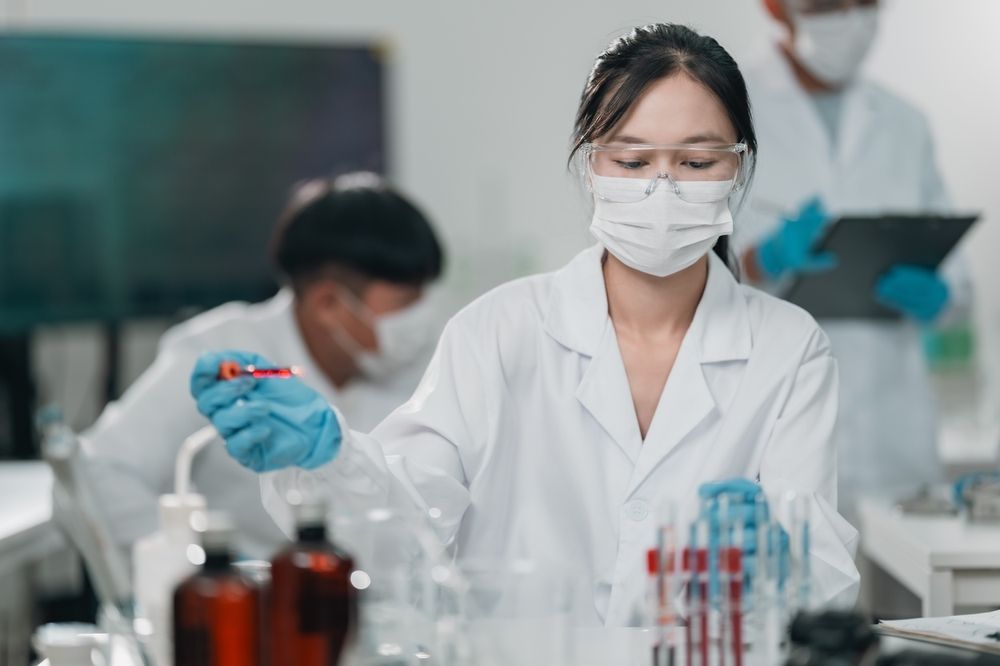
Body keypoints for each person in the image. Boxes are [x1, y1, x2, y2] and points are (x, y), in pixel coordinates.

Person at [190, 24, 860, 624]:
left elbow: (826, 577)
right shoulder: (499, 330)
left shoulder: (788, 347)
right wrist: (326, 457)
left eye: (697, 162)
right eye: (631, 162)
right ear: (590, 167)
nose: (663, 188)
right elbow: (404, 534)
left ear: (738, 170)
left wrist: (781, 550)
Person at [81, 173, 445, 558]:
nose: (421, 316)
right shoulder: (226, 356)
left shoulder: (425, 369)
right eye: (405, 300)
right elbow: (100, 472)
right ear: (328, 304)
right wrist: (202, 563)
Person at [732, 0, 972, 517]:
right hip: (774, 435)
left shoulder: (905, 124)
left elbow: (956, 281)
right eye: (828, 6)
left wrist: (941, 295)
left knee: (905, 587)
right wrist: (758, 260)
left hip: (895, 442)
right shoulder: (725, 108)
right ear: (776, 8)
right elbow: (688, 279)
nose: (852, 20)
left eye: (865, 4)